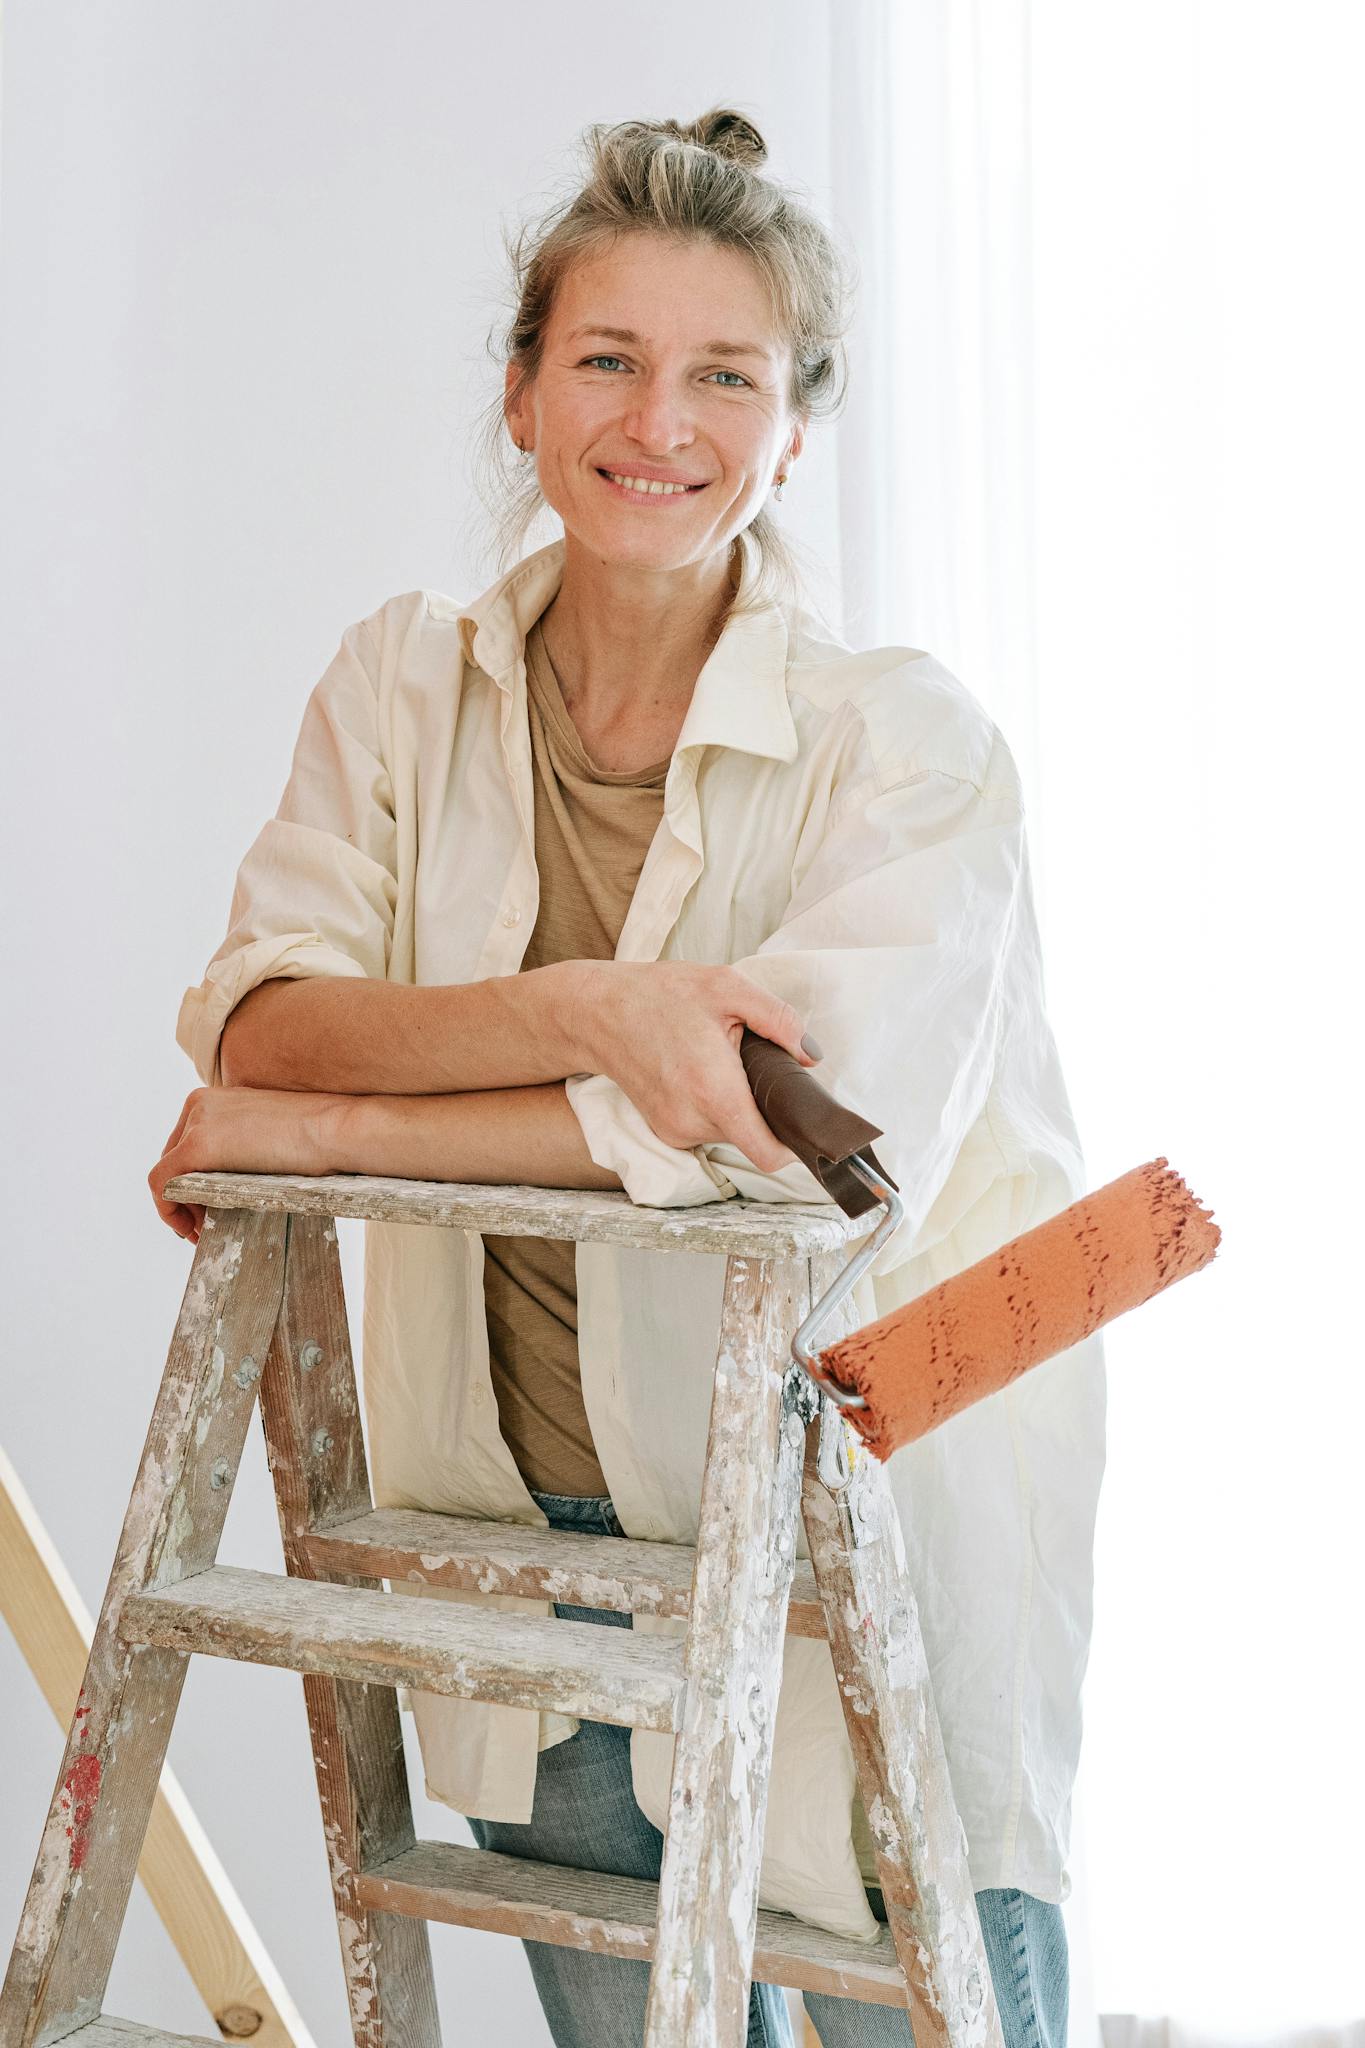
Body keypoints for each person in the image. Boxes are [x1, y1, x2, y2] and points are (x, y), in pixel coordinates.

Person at [152, 107, 1100, 2048]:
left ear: (791, 428)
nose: (655, 420)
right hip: (527, 1525)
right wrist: (599, 1013)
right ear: (516, 392)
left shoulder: (903, 741)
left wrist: (327, 1131)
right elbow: (259, 1016)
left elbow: (767, 1138)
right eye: (603, 358)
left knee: (922, 2003)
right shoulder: (399, 683)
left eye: (721, 376)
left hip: (868, 1499)